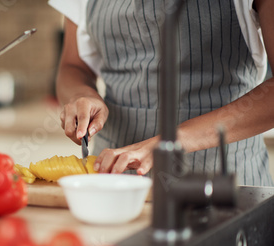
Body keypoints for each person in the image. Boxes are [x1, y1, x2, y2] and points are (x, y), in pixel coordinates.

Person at [49, 0, 274, 186]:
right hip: (114, 187)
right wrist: (81, 95)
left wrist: (174, 141)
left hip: (225, 185)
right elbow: (73, 66)